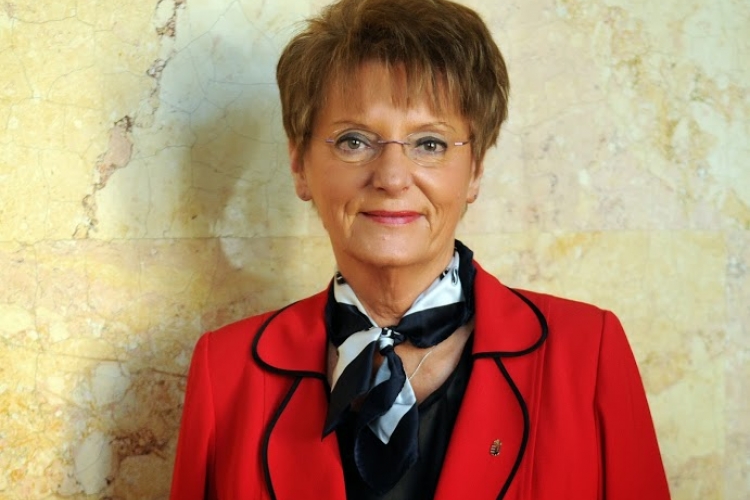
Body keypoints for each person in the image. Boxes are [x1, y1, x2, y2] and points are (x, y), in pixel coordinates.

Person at [169, 0, 671, 498]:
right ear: (300, 165)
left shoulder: (588, 353)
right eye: (354, 141)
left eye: (429, 143)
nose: (391, 178)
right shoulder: (225, 371)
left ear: (475, 170)